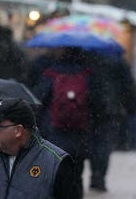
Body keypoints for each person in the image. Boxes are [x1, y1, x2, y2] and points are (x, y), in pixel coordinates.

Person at [31, 47, 95, 185]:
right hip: (79, 132)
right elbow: (95, 103)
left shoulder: (51, 73)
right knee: (76, 173)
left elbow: (37, 100)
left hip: (54, 129)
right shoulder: (87, 75)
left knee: (54, 170)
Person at [87, 52, 136, 193]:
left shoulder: (86, 59)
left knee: (91, 143)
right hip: (111, 110)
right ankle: (98, 177)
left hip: (88, 109)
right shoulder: (118, 62)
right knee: (104, 144)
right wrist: (130, 107)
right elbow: (128, 87)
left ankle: (92, 175)